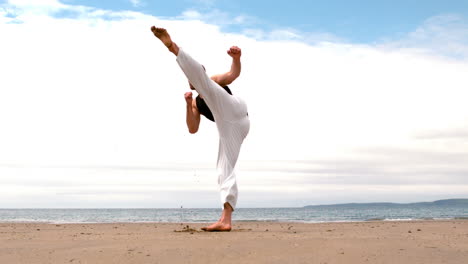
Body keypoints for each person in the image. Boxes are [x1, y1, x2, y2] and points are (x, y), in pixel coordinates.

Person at [150, 26, 250, 231]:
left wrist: (237, 58)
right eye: (192, 78)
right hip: (231, 127)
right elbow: (193, 129)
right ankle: (226, 219)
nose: (194, 79)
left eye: (196, 74)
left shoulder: (213, 81)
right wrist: (188, 105)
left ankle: (172, 46)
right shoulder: (195, 101)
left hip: (236, 110)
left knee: (207, 85)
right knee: (224, 168)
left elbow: (232, 74)